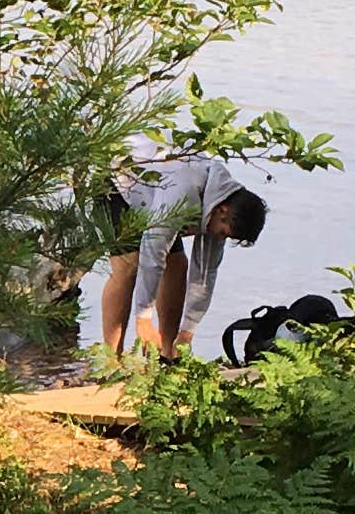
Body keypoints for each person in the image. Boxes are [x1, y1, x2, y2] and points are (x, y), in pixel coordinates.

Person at [96, 150, 270, 359]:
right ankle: (111, 360)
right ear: (222, 211)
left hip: (155, 198)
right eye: (223, 233)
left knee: (177, 265)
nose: (221, 239)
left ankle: (169, 352)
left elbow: (205, 275)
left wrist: (188, 331)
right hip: (116, 180)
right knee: (128, 266)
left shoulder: (220, 206)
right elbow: (152, 254)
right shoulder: (185, 193)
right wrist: (143, 318)